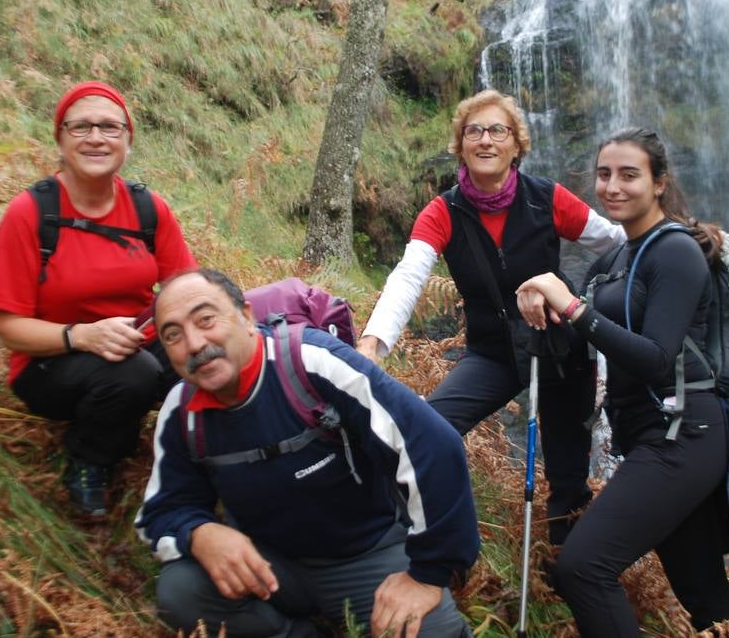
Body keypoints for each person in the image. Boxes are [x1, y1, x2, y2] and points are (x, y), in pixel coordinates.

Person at [136, 268, 479, 638]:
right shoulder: (181, 411)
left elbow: (432, 445)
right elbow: (162, 510)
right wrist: (199, 534)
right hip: (269, 567)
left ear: (246, 317)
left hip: (368, 555)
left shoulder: (312, 362)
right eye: (173, 335)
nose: (194, 343)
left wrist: (428, 575)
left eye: (206, 319)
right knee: (180, 594)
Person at [359, 89, 625, 544]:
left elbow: (617, 245)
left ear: (516, 144)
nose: (486, 140)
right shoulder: (442, 212)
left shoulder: (547, 199)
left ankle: (568, 568)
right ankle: (431, 540)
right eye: (474, 131)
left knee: (567, 477)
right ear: (461, 144)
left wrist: (571, 298)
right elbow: (408, 277)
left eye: (497, 130)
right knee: (430, 428)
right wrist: (372, 344)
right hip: (493, 353)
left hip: (559, 350)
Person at [516, 127, 729, 636]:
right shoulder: (617, 258)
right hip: (649, 435)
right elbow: (579, 331)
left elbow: (657, 360)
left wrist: (571, 307)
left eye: (629, 175)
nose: (612, 187)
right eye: (603, 175)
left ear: (659, 183)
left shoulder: (675, 252)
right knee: (704, 591)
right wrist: (538, 300)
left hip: (683, 436)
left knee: (583, 568)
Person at [0, 81, 196, 517]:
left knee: (208, 357)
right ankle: (90, 458)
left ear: (128, 140)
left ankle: (203, 463)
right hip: (53, 359)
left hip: (135, 338)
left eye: (109, 127)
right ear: (60, 138)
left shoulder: (148, 208)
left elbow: (188, 290)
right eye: (80, 127)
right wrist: (81, 336)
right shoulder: (30, 214)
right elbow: (8, 328)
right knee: (133, 374)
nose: (96, 138)